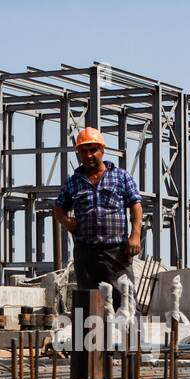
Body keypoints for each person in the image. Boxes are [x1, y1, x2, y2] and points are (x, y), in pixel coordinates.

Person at [52, 127, 143, 308]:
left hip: (116, 251)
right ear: (78, 153)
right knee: (87, 306)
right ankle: (89, 337)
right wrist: (66, 221)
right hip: (86, 252)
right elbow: (58, 207)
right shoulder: (73, 182)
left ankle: (132, 336)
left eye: (93, 150)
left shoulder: (120, 176)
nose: (89, 155)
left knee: (126, 301)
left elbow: (136, 205)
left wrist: (135, 235)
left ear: (102, 150)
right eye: (84, 151)